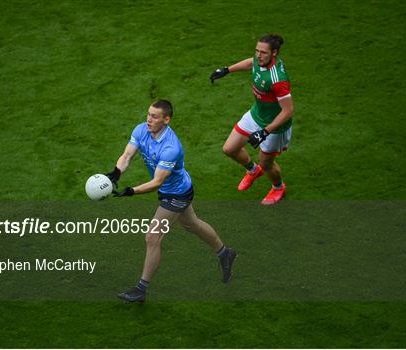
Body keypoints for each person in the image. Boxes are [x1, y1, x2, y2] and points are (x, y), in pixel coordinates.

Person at [105, 99, 237, 303]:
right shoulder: (141, 130)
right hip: (173, 190)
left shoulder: (171, 147)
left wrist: (131, 191)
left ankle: (141, 289)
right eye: (148, 114)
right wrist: (116, 172)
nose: (149, 119)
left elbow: (157, 181)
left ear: (166, 120)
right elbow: (127, 155)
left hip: (177, 194)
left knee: (152, 237)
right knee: (192, 224)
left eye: (154, 116)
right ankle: (224, 253)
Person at [210, 34, 295, 205]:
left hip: (274, 126)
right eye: (257, 51)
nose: (258, 55)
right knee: (229, 148)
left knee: (266, 163)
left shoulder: (277, 79)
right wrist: (227, 70)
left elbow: (288, 111)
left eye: (263, 52)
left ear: (274, 53)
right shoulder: (260, 59)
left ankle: (278, 188)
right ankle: (253, 170)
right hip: (256, 115)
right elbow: (251, 63)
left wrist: (265, 132)